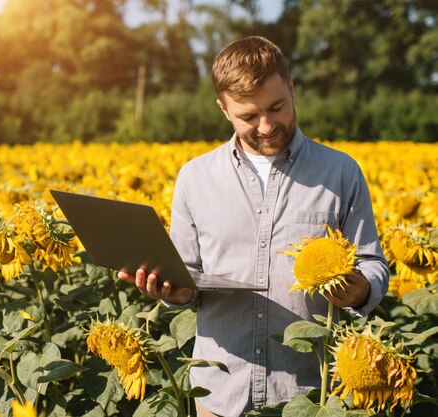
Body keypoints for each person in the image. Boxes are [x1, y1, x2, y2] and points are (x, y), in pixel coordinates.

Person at [118, 36, 389, 417]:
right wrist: (173, 292)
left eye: (276, 107)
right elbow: (188, 278)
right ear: (223, 109)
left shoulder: (340, 172)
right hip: (219, 394)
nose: (265, 126)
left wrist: (361, 290)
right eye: (248, 116)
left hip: (309, 394)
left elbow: (372, 262)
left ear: (292, 89)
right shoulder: (195, 178)